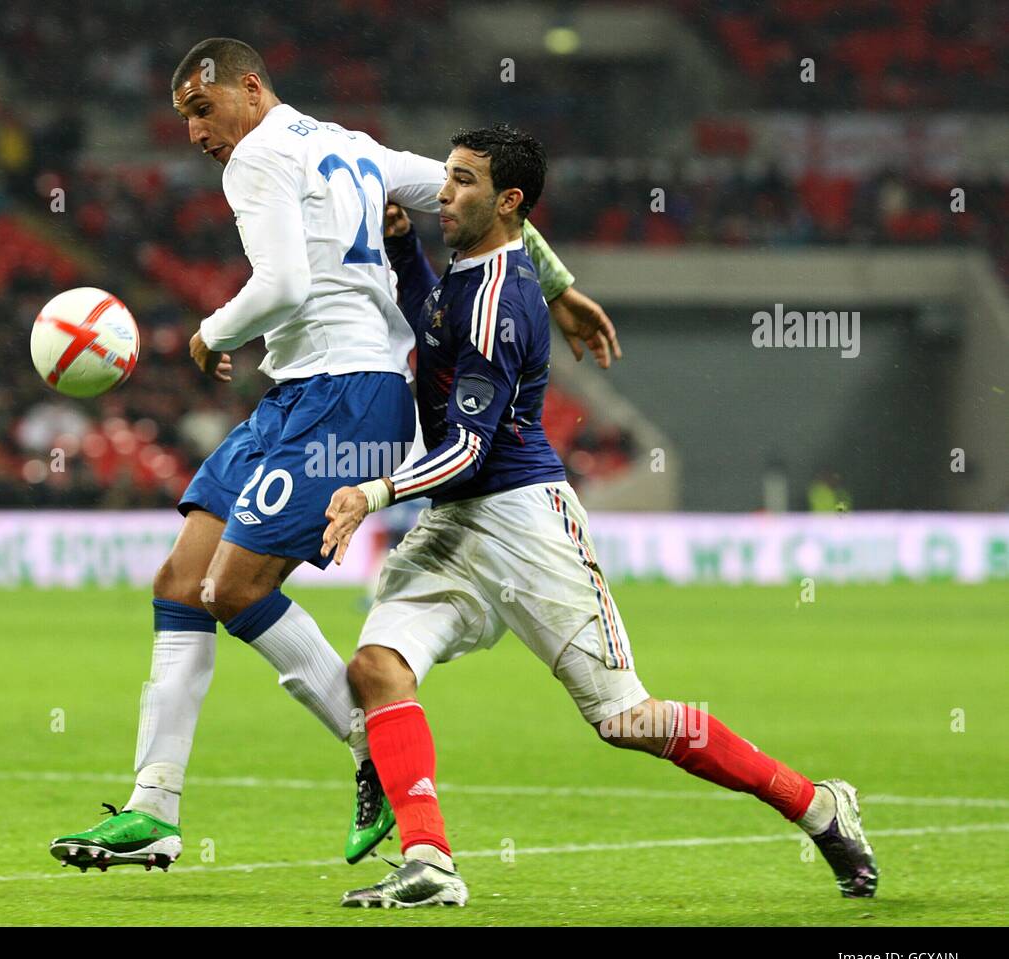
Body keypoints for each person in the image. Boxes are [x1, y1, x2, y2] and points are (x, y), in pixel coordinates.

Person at [48, 39, 610, 872]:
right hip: (298, 392)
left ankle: (373, 752)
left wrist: (211, 333)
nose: (197, 133)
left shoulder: (257, 159)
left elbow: (282, 288)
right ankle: (153, 810)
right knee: (180, 584)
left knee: (233, 588)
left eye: (203, 111)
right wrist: (560, 286)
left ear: (249, 88)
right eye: (183, 121)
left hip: (348, 395)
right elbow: (478, 200)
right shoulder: (349, 146)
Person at [320, 125, 877, 908]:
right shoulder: (466, 271)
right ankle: (430, 862)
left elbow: (472, 449)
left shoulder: (502, 304)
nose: (442, 193)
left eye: (461, 183)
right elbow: (431, 322)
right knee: (377, 668)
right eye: (443, 179)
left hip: (522, 522)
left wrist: (372, 493)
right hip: (454, 525)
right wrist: (407, 249)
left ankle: (818, 804)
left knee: (624, 719)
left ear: (510, 202)